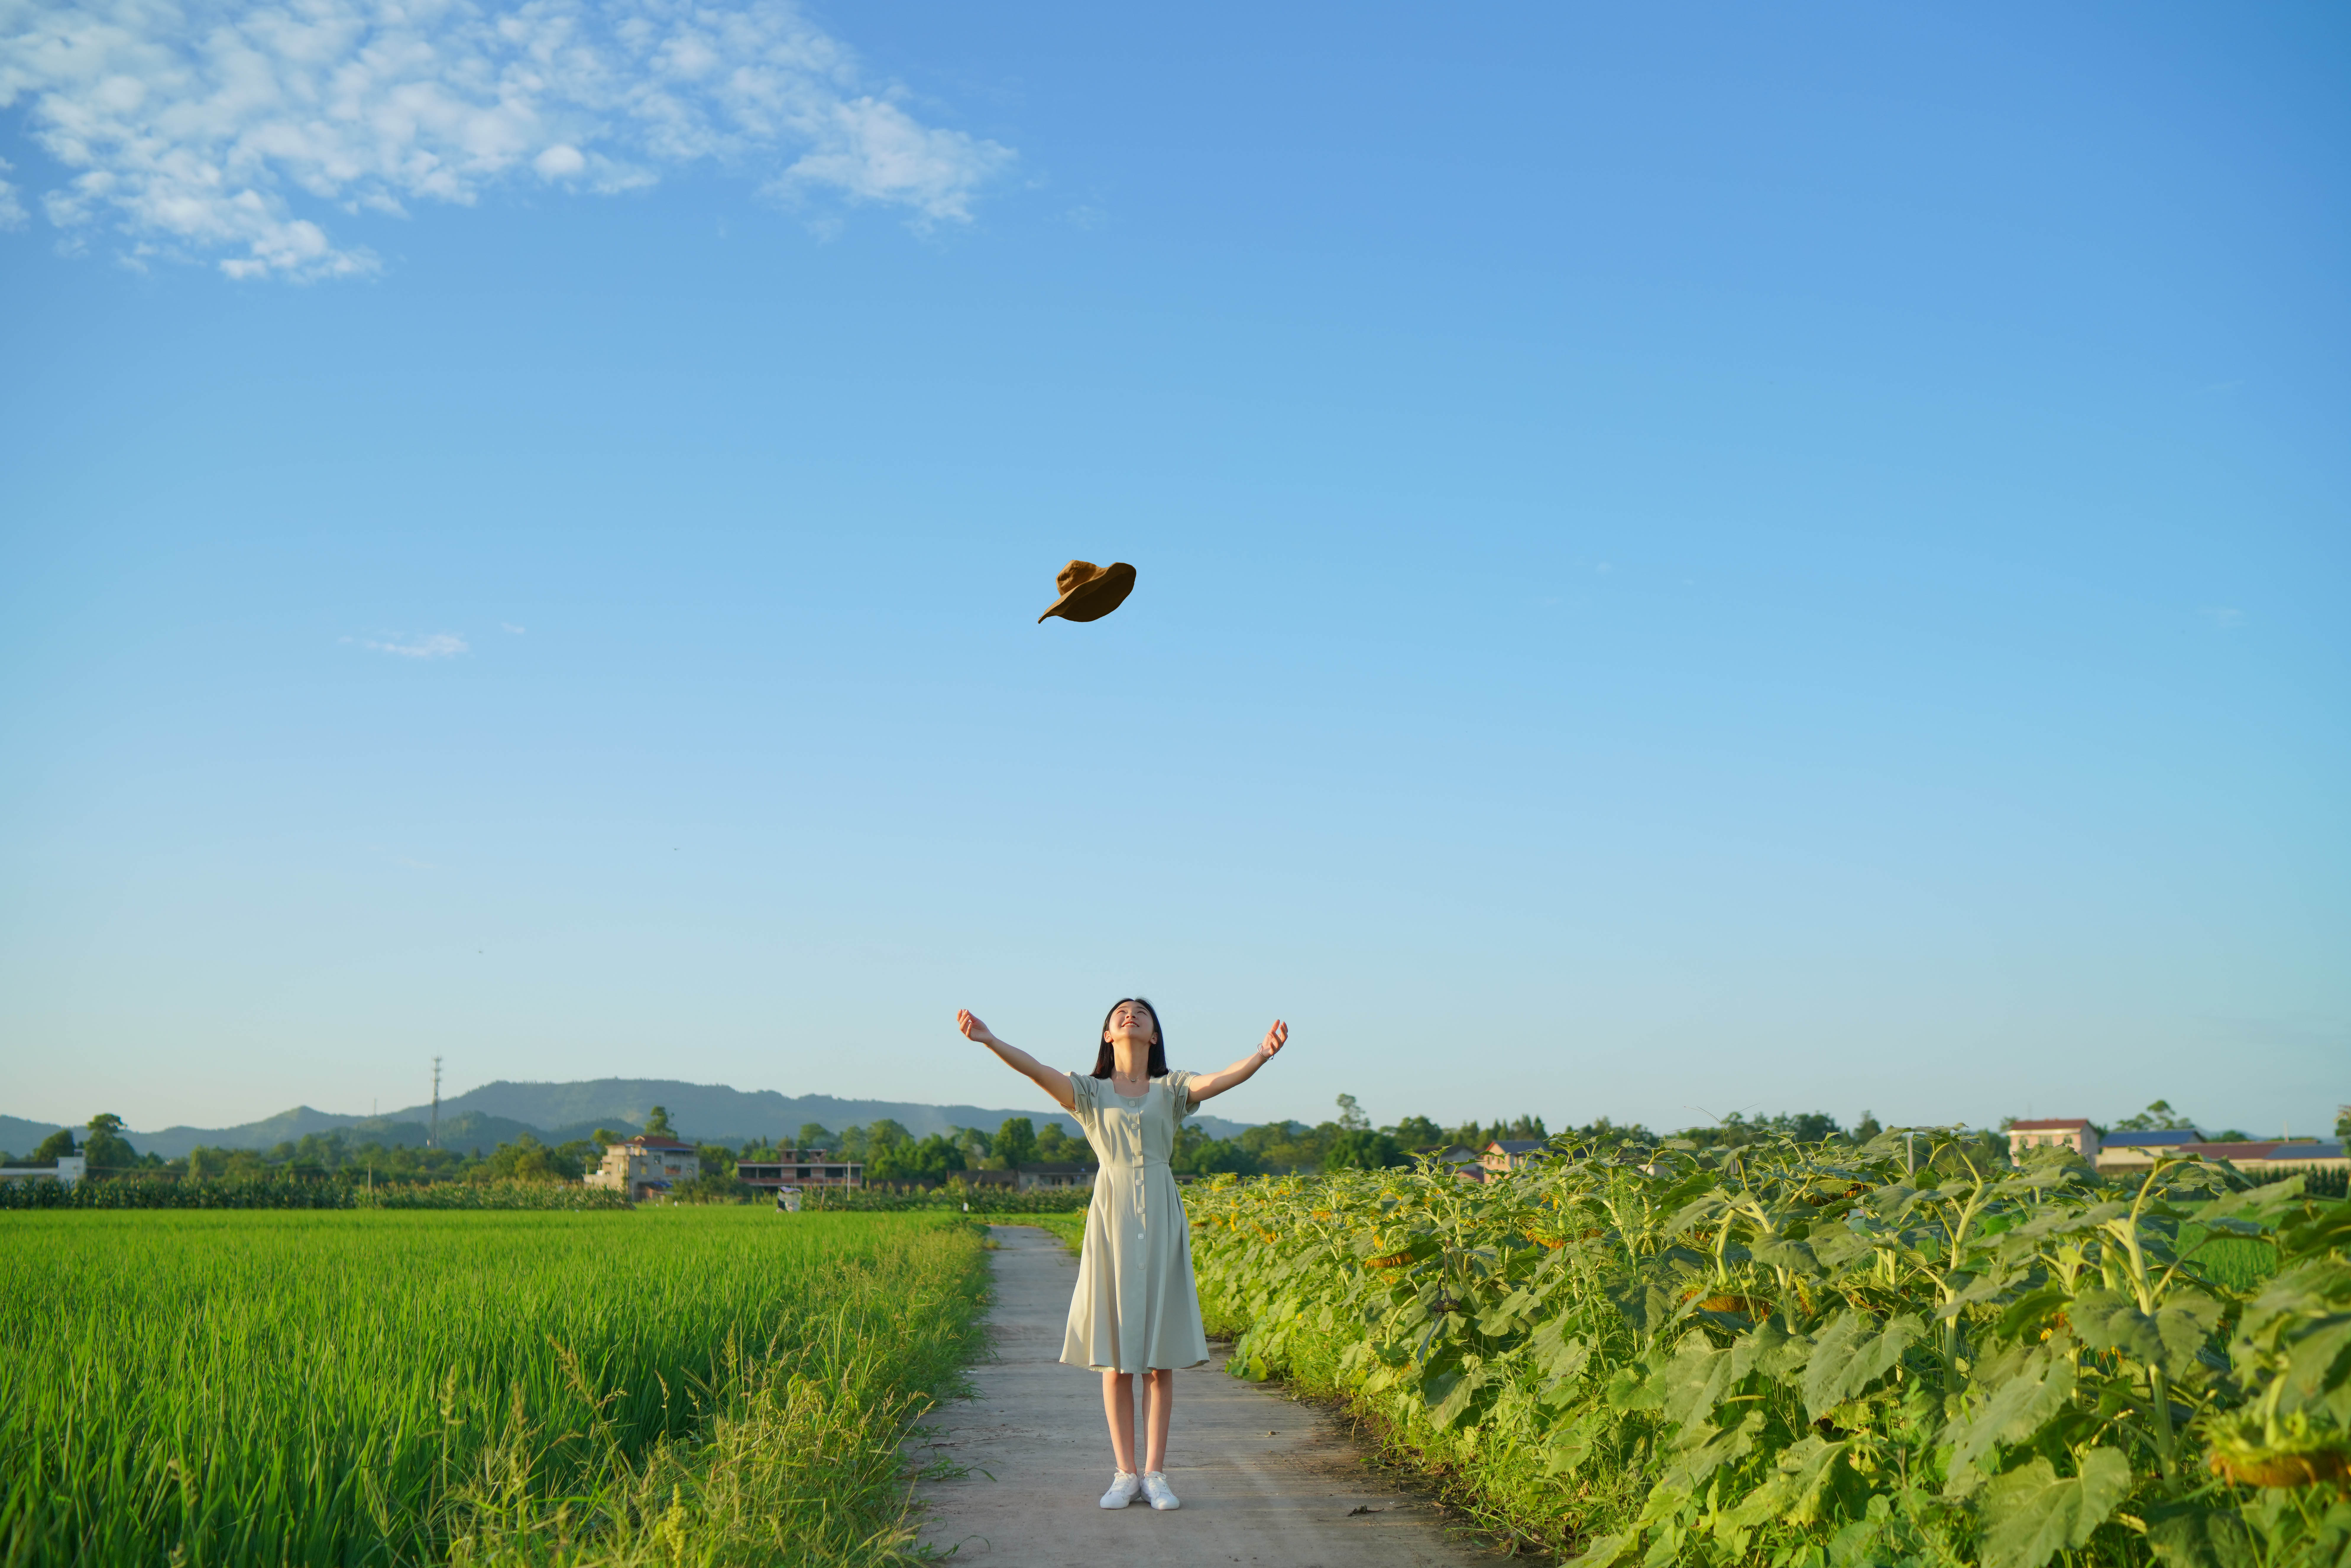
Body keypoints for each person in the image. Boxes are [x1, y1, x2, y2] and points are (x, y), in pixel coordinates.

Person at [957, 998, 1288, 1512]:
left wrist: (1261, 1056)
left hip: (1161, 1217)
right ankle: (1124, 1474)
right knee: (1114, 1359)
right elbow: (1037, 1071)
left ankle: (1155, 1473)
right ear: (1108, 1036)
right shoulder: (1089, 1093)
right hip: (1111, 1220)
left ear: (1154, 1036)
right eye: (1120, 1014)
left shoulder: (1171, 1090)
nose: (1130, 1016)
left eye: (1142, 1013)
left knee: (1159, 1360)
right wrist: (991, 1041)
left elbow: (1220, 1080)